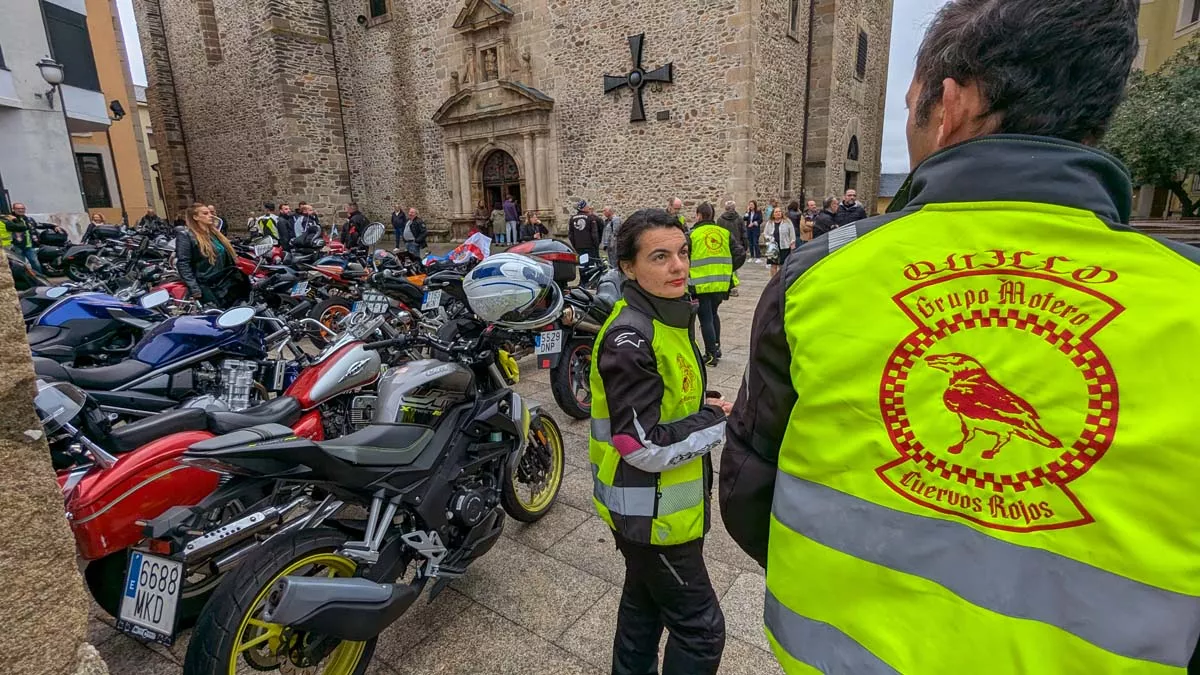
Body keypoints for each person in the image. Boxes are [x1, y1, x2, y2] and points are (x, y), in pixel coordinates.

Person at [720, 2, 1198, 674]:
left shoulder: (824, 272)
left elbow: (747, 493)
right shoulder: (1186, 298)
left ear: (948, 105)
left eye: (911, 104)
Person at [590, 207, 731, 675]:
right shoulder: (631, 336)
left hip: (662, 510)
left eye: (683, 253)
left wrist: (699, 404)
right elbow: (638, 444)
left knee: (643, 610)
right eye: (660, 256)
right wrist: (714, 421)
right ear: (628, 267)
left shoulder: (667, 318)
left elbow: (662, 399)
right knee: (701, 628)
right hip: (650, 517)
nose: (680, 267)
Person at [689, 202, 744, 366]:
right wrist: (728, 269)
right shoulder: (724, 233)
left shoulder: (692, 235)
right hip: (721, 283)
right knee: (713, 314)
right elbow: (740, 253)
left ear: (698, 215)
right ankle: (717, 347)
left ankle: (711, 354)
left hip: (701, 284)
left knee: (705, 317)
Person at [175, 203, 245, 308]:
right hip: (208, 284)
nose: (210, 215)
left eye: (210, 212)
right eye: (205, 213)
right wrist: (194, 288)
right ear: (195, 217)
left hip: (225, 280)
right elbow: (183, 263)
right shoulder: (186, 235)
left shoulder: (214, 234)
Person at [6, 203, 44, 274]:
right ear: (13, 209)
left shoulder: (28, 219)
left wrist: (53, 226)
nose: (21, 210)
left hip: (29, 246)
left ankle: (40, 278)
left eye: (22, 208)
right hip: (16, 246)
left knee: (35, 263)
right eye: (18, 209)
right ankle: (26, 280)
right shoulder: (10, 220)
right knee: (21, 265)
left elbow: (38, 225)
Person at [765, 205, 795, 278]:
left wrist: (792, 242)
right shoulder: (769, 223)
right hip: (773, 247)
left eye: (779, 212)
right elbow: (766, 233)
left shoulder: (787, 222)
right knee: (773, 265)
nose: (778, 213)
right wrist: (770, 238)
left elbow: (792, 233)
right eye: (776, 212)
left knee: (782, 265)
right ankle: (773, 280)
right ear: (773, 214)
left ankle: (781, 280)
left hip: (784, 246)